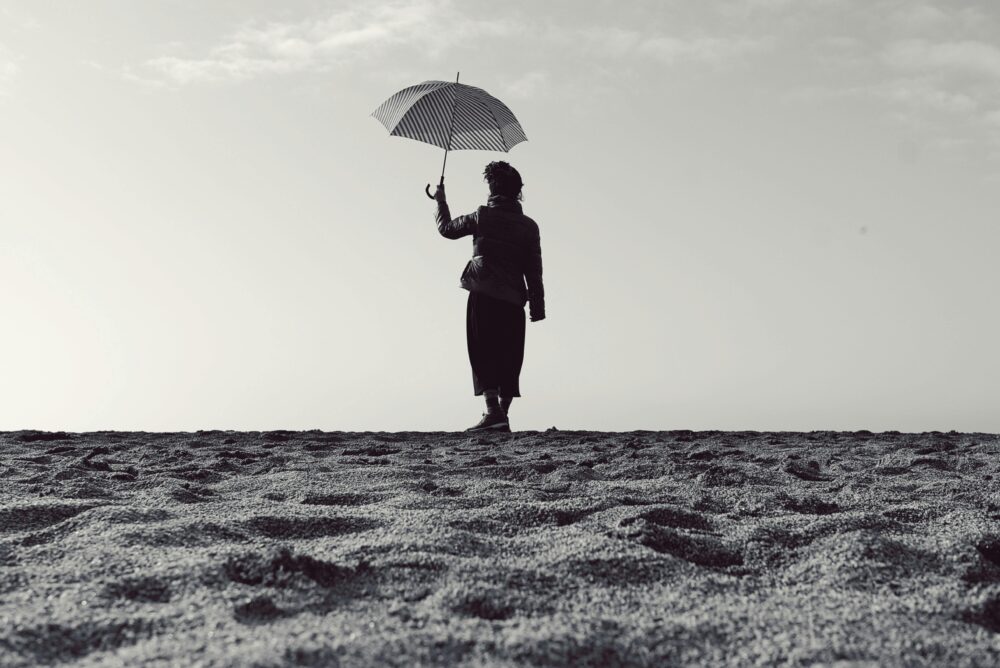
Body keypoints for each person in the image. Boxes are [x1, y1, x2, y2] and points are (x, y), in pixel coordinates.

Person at [432, 161, 545, 432]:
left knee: (483, 352)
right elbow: (534, 270)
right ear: (518, 192)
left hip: (483, 293)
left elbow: (446, 229)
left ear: (491, 189)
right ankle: (501, 415)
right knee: (510, 354)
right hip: (514, 298)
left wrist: (440, 200)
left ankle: (494, 412)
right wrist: (538, 307)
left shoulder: (482, 216)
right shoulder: (529, 227)